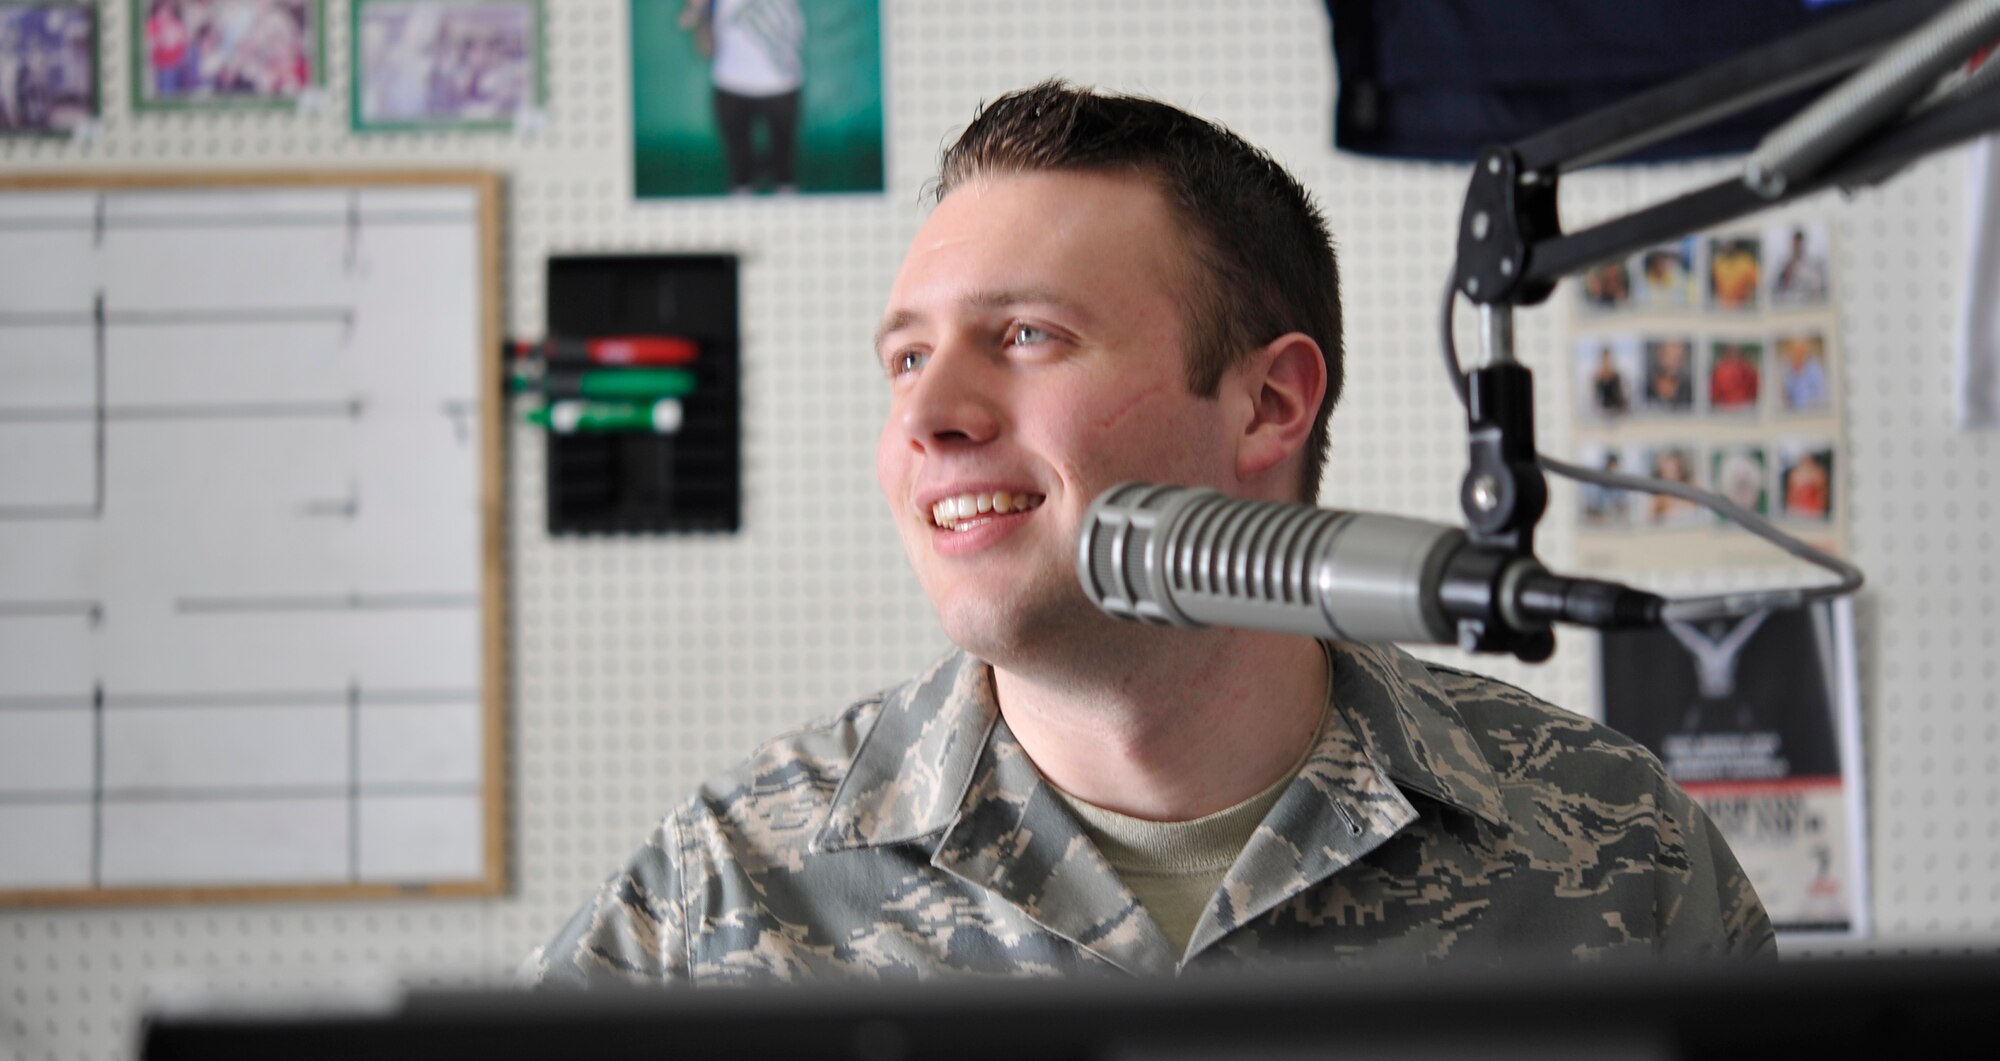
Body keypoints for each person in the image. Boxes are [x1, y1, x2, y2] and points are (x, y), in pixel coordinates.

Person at [527, 82, 1773, 987]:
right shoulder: (721, 889)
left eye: (1026, 336)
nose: (926, 417)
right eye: (905, 357)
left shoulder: (1621, 851)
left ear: (1268, 402)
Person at [682, 0, 807, 194]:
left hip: (783, 81)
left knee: (784, 175)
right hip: (731, 81)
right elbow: (704, 46)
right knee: (740, 177)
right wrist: (699, 13)